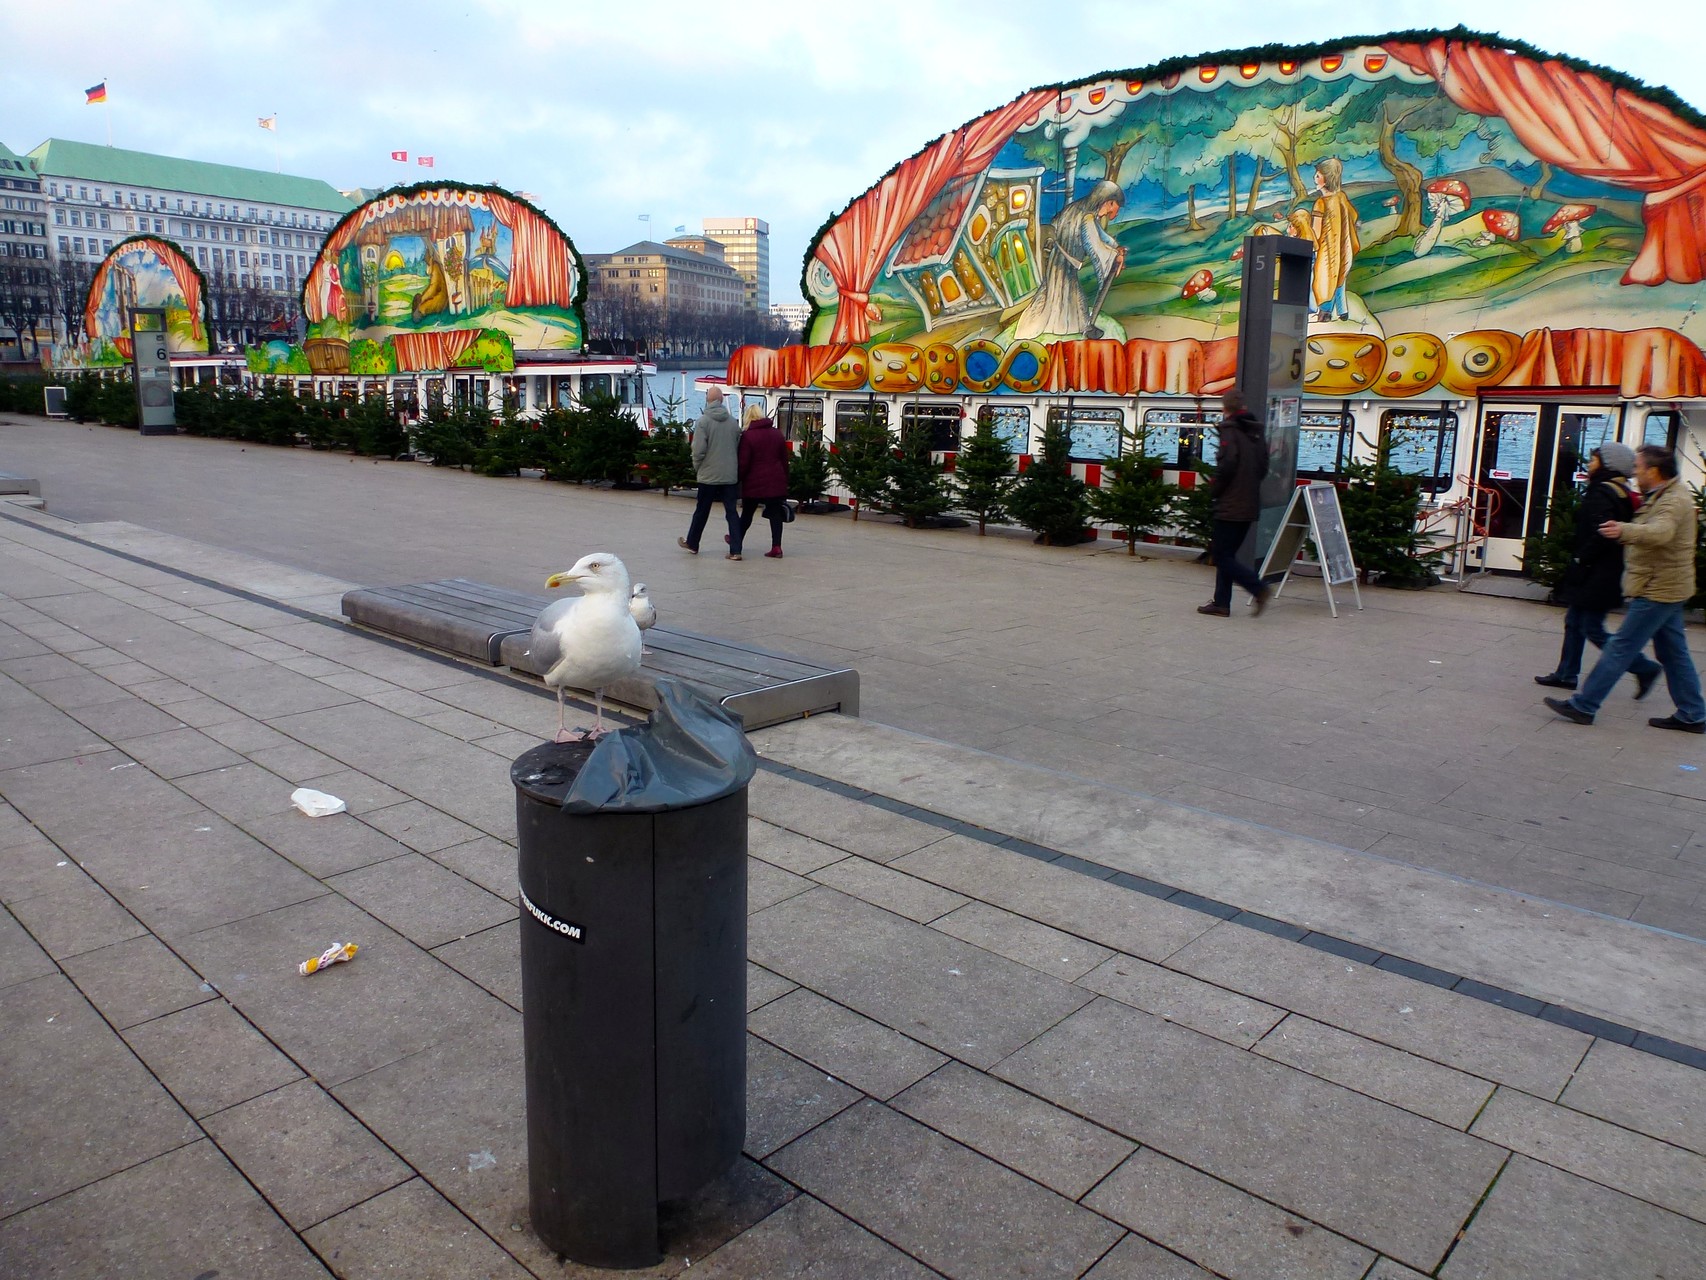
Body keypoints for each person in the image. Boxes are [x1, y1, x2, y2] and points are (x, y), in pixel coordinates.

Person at [1545, 444, 1705, 732]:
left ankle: (1585, 705)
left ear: (1653, 471)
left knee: (1620, 647)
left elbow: (1661, 532)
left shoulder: (1673, 501)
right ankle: (1693, 713)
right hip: (1667, 586)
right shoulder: (1662, 495)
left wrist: (1623, 530)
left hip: (1659, 588)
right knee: (1673, 653)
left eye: (1638, 468)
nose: (1634, 473)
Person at [1534, 442, 1662, 696]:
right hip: (1605, 571)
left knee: (1591, 627)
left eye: (1594, 460)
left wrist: (1581, 559)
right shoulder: (1621, 490)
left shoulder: (1601, 492)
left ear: (1608, 464)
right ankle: (1566, 673)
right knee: (1574, 621)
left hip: (1597, 573)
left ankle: (1643, 667)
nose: (1590, 464)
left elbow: (1602, 532)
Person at [1014, 179, 1126, 340]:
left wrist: (1115, 246)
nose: (1109, 213)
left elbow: (1096, 233)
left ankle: (1082, 327)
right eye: (1112, 208)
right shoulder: (1086, 217)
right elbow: (1094, 244)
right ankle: (1072, 328)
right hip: (1066, 262)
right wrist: (1115, 255)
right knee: (1065, 293)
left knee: (1056, 292)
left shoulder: (1075, 208)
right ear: (1108, 202)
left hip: (1057, 259)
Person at [1197, 390, 1272, 618]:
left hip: (1231, 504)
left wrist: (1215, 487)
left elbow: (1228, 464)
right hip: (1249, 502)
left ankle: (1258, 588)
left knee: (1220, 556)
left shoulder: (1230, 430)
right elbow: (1263, 467)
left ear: (1224, 408)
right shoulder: (1255, 433)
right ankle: (1221, 603)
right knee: (1227, 553)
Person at [678, 387, 743, 560]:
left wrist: (698, 467)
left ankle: (693, 543)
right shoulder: (732, 422)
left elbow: (698, 450)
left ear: (707, 400)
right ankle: (736, 549)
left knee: (702, 510)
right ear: (721, 400)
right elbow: (737, 445)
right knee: (731, 512)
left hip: (708, 475)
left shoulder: (703, 422)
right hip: (729, 475)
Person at [1306, 157, 1359, 322]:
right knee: (1339, 275)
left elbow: (1315, 231)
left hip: (1326, 250)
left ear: (1326, 179)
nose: (1315, 178)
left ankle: (1325, 313)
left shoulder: (1321, 203)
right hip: (1342, 247)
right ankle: (1342, 311)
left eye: (1318, 175)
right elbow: (1354, 215)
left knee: (1324, 278)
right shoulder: (1341, 197)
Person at [736, 415, 791, 558]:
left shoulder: (747, 436)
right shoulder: (777, 433)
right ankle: (777, 547)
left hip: (754, 482)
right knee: (776, 514)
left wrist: (738, 479)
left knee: (747, 514)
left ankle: (736, 543)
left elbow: (744, 462)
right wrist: (785, 478)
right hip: (775, 481)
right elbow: (784, 459)